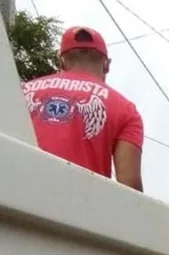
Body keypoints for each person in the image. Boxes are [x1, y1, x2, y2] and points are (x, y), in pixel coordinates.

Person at [21, 26, 143, 191]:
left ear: (61, 61)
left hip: (12, 199)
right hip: (80, 211)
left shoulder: (22, 92)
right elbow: (130, 187)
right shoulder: (125, 110)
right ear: (107, 65)